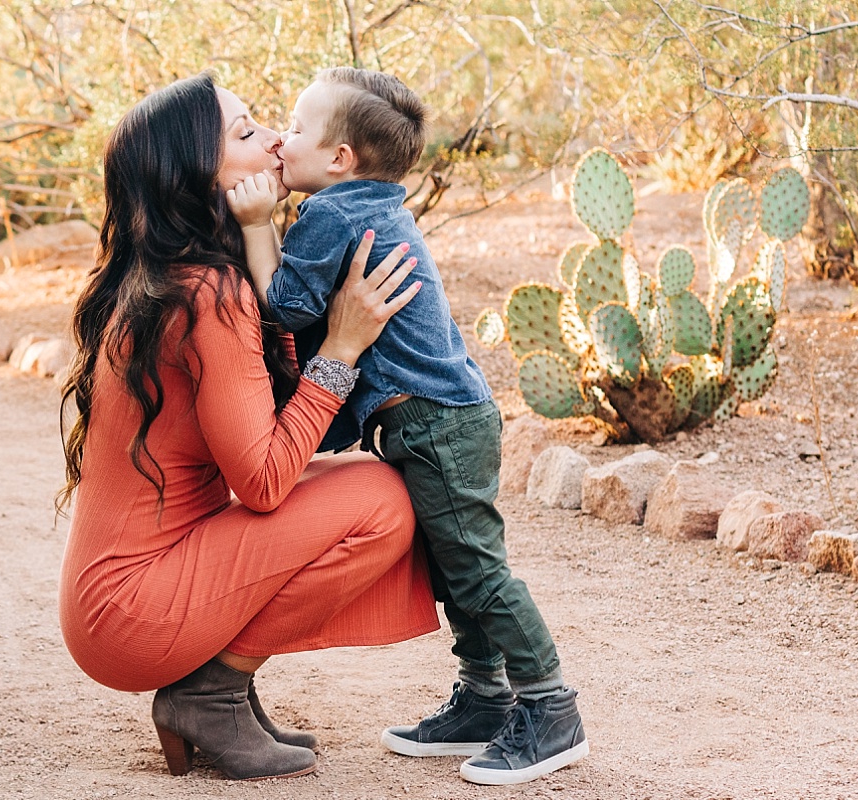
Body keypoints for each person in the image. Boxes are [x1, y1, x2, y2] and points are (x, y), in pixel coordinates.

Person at [56, 73, 441, 783]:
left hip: (116, 600)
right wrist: (343, 349)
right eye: (243, 134)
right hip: (133, 612)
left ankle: (216, 690)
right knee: (383, 502)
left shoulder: (172, 275)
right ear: (195, 178)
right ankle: (212, 691)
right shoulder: (206, 292)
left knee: (362, 482)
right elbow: (263, 482)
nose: (273, 140)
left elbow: (268, 429)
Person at [226, 67, 588, 786]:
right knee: (457, 571)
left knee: (479, 574)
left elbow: (288, 306)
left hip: (434, 422)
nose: (281, 139)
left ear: (340, 160)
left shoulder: (331, 213)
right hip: (448, 417)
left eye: (295, 129)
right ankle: (487, 698)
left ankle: (551, 710)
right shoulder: (375, 201)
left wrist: (256, 226)